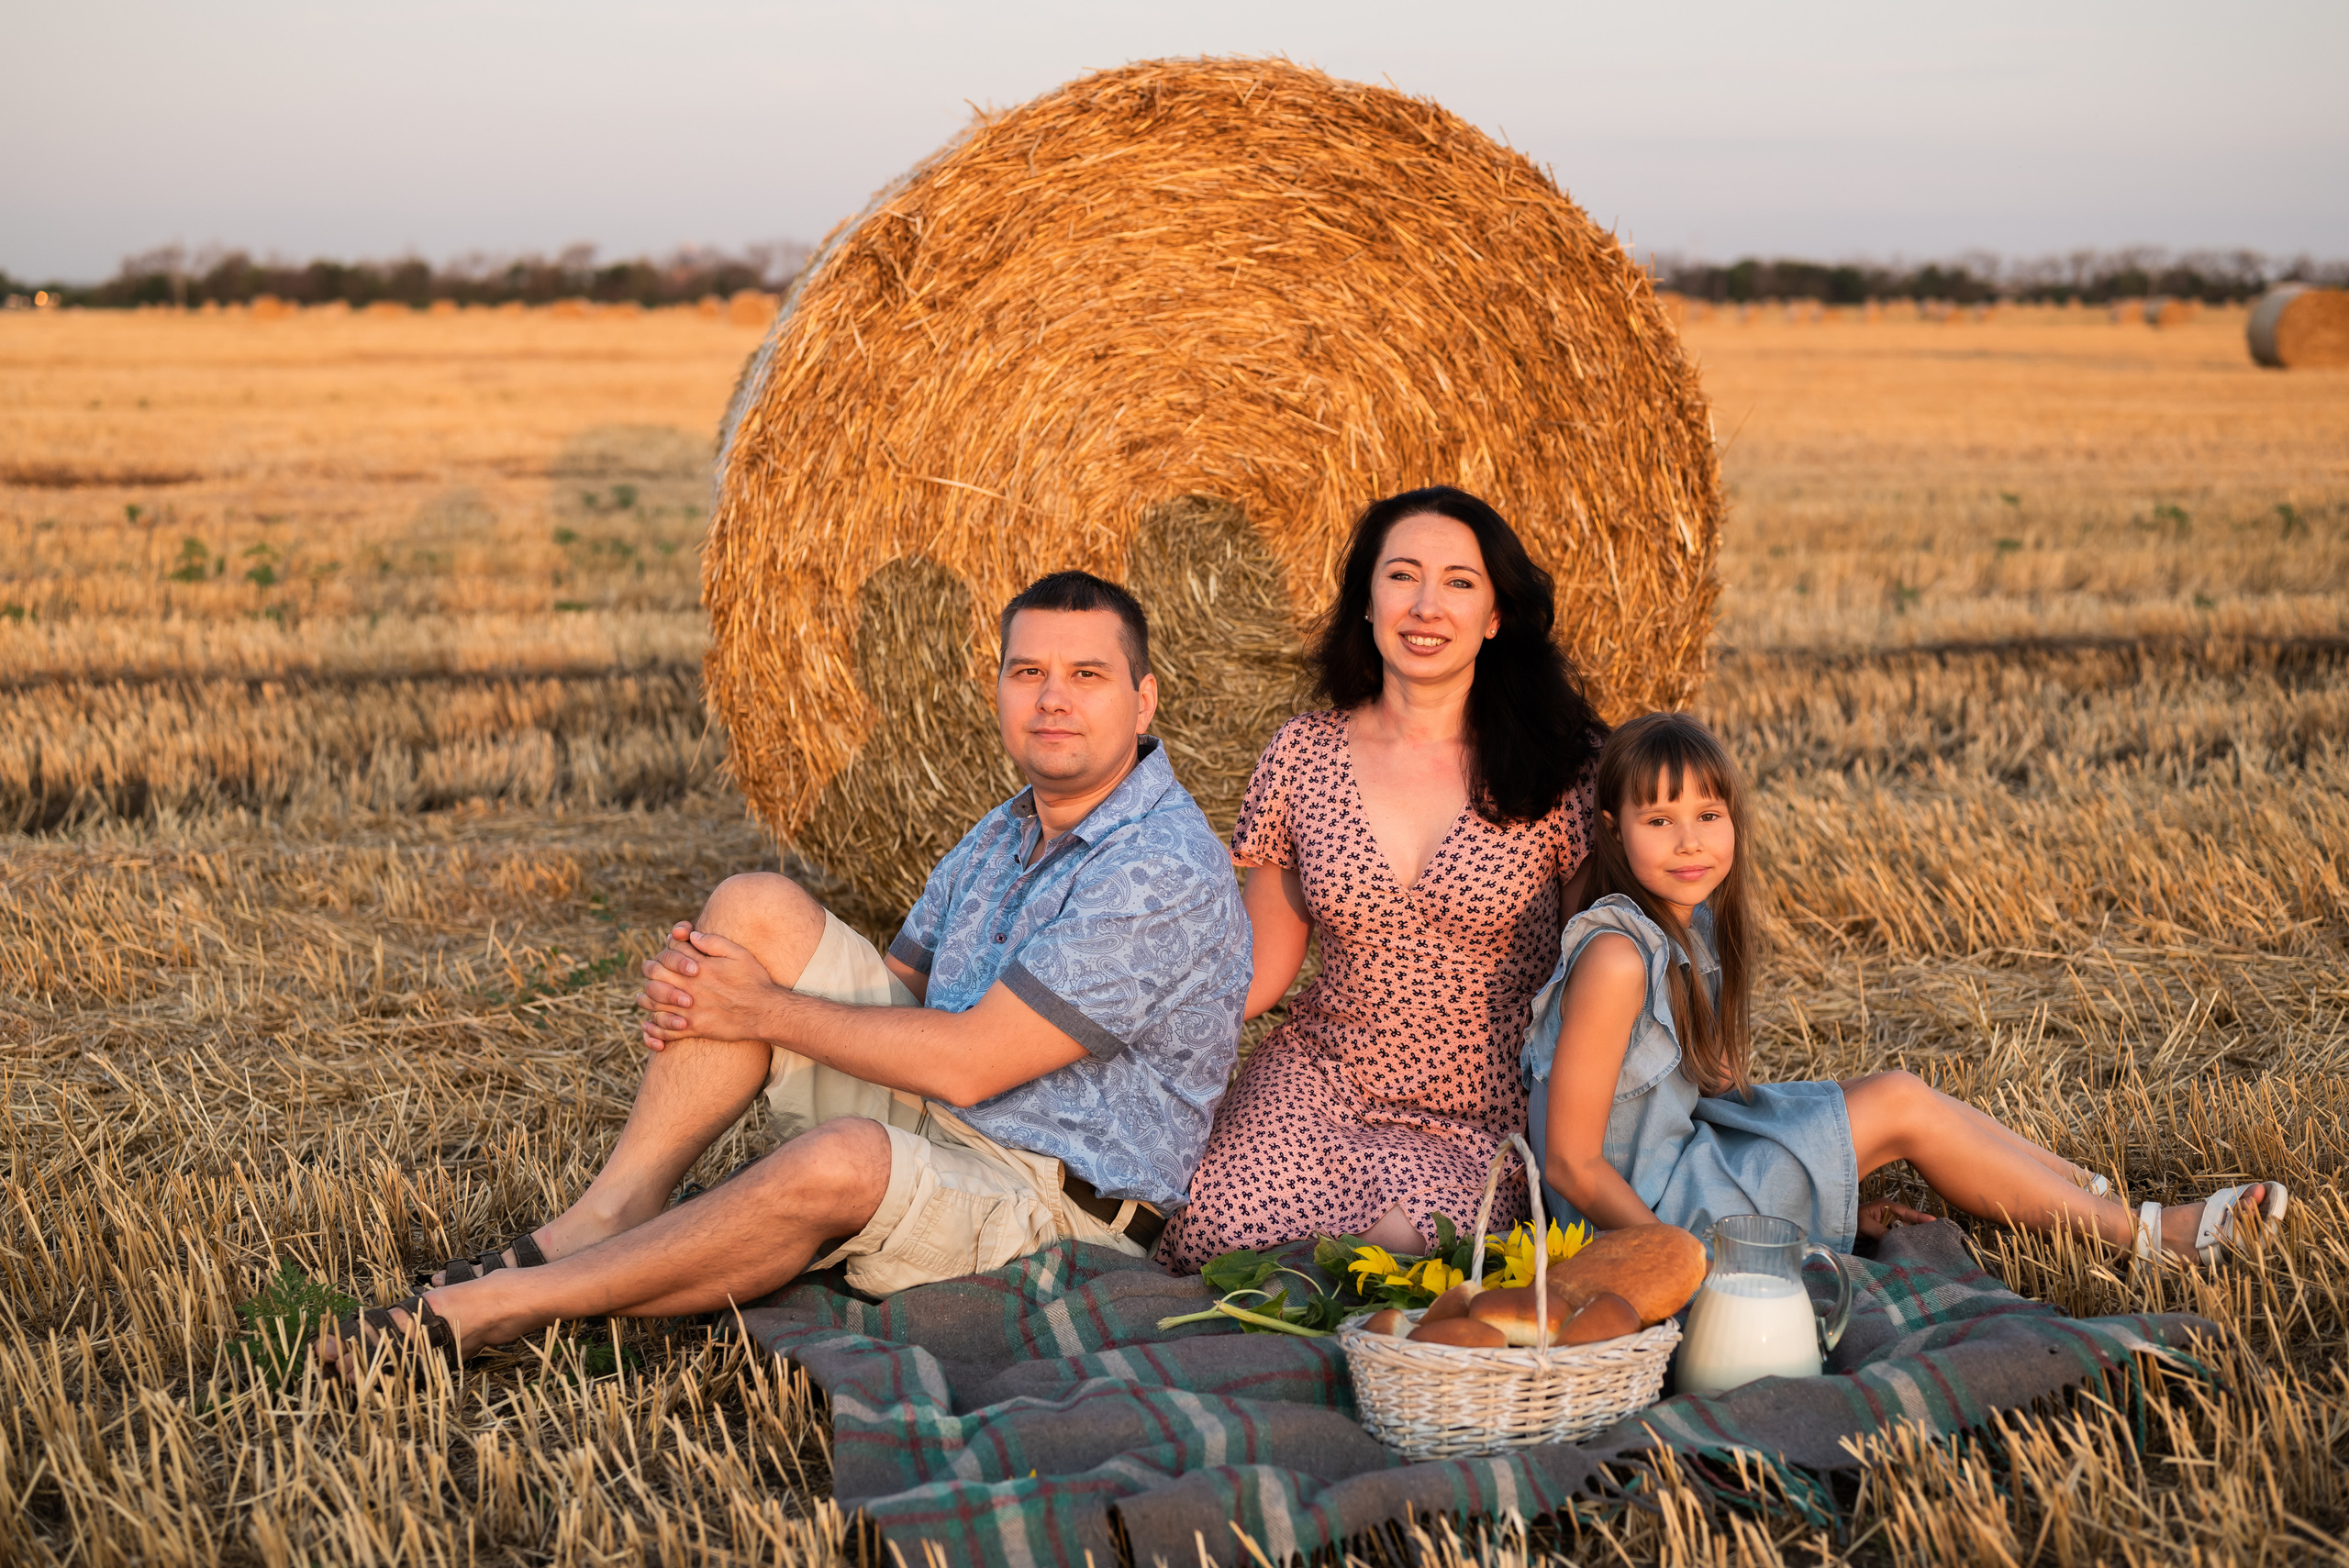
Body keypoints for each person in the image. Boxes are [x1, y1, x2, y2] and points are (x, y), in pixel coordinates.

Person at [319, 571, 1251, 1375]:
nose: (1053, 698)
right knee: (753, 906)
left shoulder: (1155, 866)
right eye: (1028, 672)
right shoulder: (1003, 830)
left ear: (1144, 699)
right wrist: (717, 993)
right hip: (952, 1123)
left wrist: (758, 1006)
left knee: (838, 1153)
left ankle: (520, 1301)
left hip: (1058, 1207)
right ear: (999, 690)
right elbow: (890, 994)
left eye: (1086, 675)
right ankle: (609, 1211)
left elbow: (967, 1061)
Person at [1525, 710, 2289, 1263]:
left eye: (1708, 813)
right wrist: (1680, 1263)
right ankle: (2153, 1236)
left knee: (1898, 1090)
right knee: (1897, 1106)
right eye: (1658, 819)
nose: (1690, 839)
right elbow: (1569, 1165)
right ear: (1612, 829)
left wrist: (1825, 1195)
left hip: (1690, 1175)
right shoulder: (1616, 957)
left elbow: (1720, 1098)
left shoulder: (1688, 932)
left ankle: (2092, 1197)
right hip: (1640, 1226)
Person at [1158, 486, 1608, 1270]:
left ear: (1495, 615)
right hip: (1324, 1076)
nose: (1426, 605)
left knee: (1399, 1252)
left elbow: (1601, 968)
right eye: (1402, 576)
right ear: (1367, 601)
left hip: (1482, 1109)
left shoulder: (1561, 768)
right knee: (1214, 1235)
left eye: (1460, 582)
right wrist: (1120, 1009)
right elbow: (1259, 968)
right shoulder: (1303, 753)